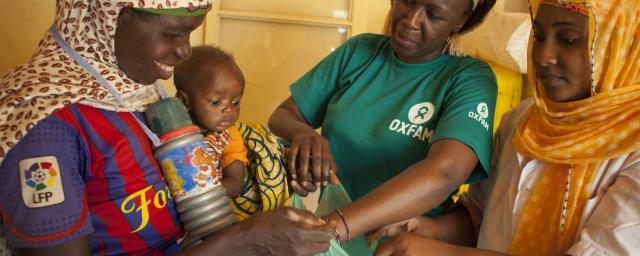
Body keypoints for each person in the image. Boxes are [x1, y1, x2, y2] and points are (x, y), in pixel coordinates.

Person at [0, 1, 334, 255]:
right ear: (105, 19)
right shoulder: (44, 124)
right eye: (171, 34)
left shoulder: (139, 90)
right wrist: (243, 240)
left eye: (190, 32)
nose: (184, 50)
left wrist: (265, 176)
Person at [371, 0, 640, 255]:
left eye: (568, 39)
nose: (544, 56)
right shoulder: (523, 122)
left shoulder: (633, 145)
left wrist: (446, 253)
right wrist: (430, 229)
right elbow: (479, 214)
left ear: (619, 46)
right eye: (539, 35)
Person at [269, 0, 497, 252]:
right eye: (407, 1)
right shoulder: (359, 52)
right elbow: (284, 114)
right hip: (328, 239)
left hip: (403, 247)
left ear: (461, 20)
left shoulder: (469, 79)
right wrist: (304, 135)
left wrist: (336, 226)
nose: (411, 21)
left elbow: (445, 172)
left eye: (433, 14)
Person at [174, 46, 248, 199]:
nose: (228, 110)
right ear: (183, 100)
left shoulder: (228, 136)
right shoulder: (170, 128)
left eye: (235, 102)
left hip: (211, 212)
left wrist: (195, 192)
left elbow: (235, 184)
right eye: (215, 102)